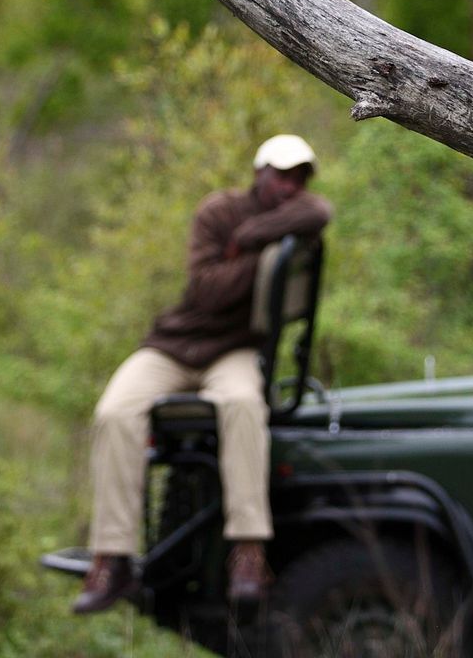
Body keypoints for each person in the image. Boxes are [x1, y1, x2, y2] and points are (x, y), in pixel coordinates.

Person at [72, 134, 333, 615]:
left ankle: (249, 552)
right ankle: (113, 556)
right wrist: (262, 259)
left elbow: (320, 211)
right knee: (114, 411)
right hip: (174, 345)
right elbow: (207, 291)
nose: (291, 187)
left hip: (232, 351)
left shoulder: (285, 221)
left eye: (299, 178)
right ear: (259, 173)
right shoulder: (218, 211)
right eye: (281, 175)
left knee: (242, 406)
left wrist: (248, 243)